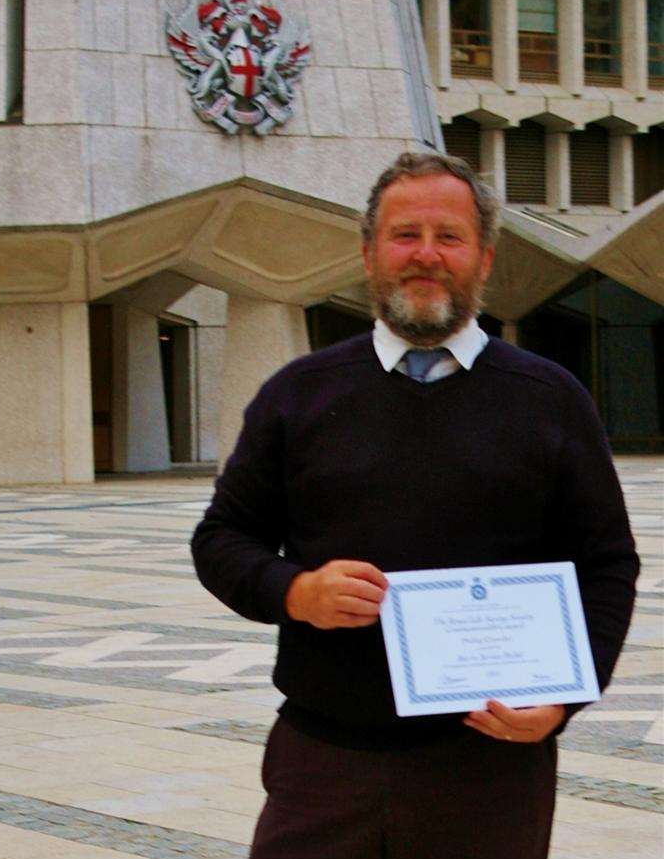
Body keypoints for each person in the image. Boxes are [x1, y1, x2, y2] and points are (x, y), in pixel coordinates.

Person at [191, 152, 639, 859]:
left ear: (484, 257)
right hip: (325, 758)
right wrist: (295, 589)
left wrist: (565, 701)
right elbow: (222, 538)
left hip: (488, 765)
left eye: (449, 236)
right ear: (369, 253)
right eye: (404, 234)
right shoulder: (299, 394)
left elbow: (607, 565)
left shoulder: (551, 398)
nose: (425, 255)